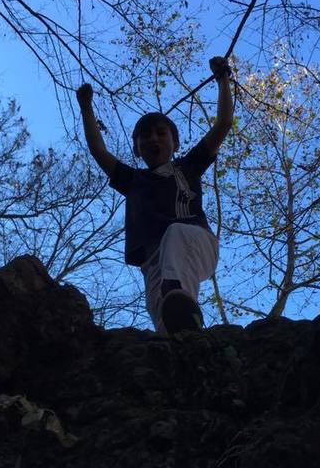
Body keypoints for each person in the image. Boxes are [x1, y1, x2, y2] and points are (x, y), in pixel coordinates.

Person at [76, 56, 233, 333]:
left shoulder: (188, 167)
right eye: (145, 136)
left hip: (196, 242)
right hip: (153, 260)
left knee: (176, 235)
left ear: (175, 142)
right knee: (164, 316)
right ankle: (185, 334)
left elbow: (223, 124)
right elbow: (98, 150)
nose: (153, 139)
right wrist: (86, 107)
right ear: (136, 149)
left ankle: (175, 292)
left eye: (161, 133)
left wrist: (223, 80)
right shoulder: (134, 180)